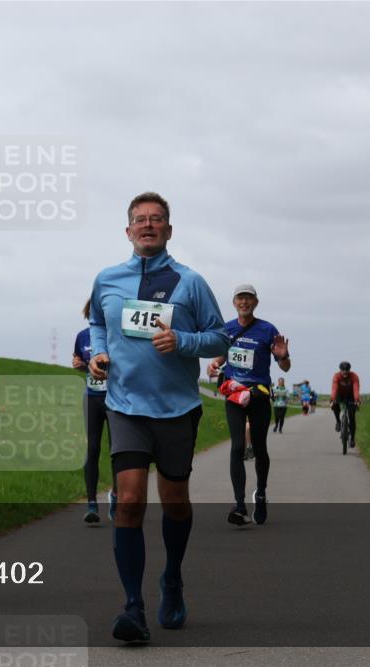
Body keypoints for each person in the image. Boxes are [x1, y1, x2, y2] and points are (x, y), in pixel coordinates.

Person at [88, 192, 229, 642]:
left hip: (176, 409)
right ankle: (133, 606)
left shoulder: (191, 282)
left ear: (169, 230)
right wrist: (99, 353)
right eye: (139, 220)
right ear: (127, 230)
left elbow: (220, 338)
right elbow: (97, 324)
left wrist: (184, 343)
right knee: (128, 501)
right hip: (125, 405)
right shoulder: (107, 279)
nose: (148, 225)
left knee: (174, 502)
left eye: (157, 220)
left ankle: (172, 577)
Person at [206, 284, 290, 526]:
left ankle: (261, 493)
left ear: (255, 303)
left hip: (259, 395)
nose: (244, 302)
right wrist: (214, 364)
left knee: (260, 448)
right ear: (234, 302)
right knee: (237, 447)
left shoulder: (267, 329)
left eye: (249, 299)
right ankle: (240, 505)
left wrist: (283, 355)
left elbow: (285, 367)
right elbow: (222, 355)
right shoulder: (227, 328)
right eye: (240, 298)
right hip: (234, 395)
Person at [73, 299, 117, 523]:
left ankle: (117, 496)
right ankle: (92, 504)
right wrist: (80, 365)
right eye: (92, 311)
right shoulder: (82, 336)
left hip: (115, 399)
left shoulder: (116, 334)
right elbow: (80, 361)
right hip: (92, 398)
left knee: (117, 450)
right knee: (92, 449)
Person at [331, 361, 361, 447]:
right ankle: (338, 422)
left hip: (351, 396)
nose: (345, 372)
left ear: (349, 370)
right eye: (343, 370)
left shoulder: (354, 376)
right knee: (334, 404)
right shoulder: (336, 376)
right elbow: (334, 388)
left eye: (346, 370)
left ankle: (352, 439)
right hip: (339, 395)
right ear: (340, 370)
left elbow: (356, 389)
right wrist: (332, 399)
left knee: (352, 417)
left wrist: (356, 399)